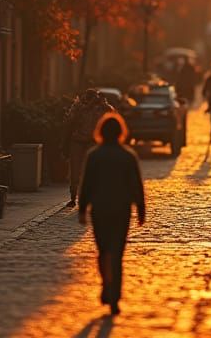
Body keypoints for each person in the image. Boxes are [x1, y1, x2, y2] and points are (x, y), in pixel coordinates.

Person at [77, 112, 146, 317]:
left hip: (100, 209)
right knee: (117, 253)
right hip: (121, 210)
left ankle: (106, 284)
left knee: (103, 250)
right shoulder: (128, 155)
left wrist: (82, 209)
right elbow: (136, 185)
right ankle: (114, 295)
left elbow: (86, 184)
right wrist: (141, 209)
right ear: (121, 132)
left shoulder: (94, 155)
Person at [62, 89, 113, 208]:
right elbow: (70, 121)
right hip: (77, 142)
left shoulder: (101, 108)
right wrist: (84, 107)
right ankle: (73, 197)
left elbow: (111, 116)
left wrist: (103, 104)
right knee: (75, 172)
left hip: (93, 142)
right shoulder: (79, 106)